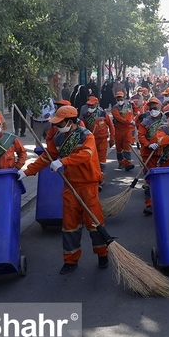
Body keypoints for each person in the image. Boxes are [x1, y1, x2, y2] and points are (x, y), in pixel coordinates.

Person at [19, 105, 108, 274]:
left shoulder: (86, 136)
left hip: (88, 185)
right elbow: (46, 157)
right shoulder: (59, 139)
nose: (57, 126)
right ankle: (70, 260)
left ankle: (102, 254)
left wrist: (63, 162)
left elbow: (86, 155)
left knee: (94, 223)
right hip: (70, 185)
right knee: (70, 225)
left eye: (60, 123)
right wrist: (27, 172)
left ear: (70, 121)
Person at [80, 96, 115, 190]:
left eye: (92, 105)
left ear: (96, 104)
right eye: (89, 105)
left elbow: (111, 126)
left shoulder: (103, 113)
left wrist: (112, 138)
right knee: (91, 160)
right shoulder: (85, 115)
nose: (90, 107)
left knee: (101, 161)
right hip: (91, 141)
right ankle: (94, 178)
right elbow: (82, 129)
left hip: (103, 140)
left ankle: (100, 179)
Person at [137, 97, 165, 214]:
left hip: (164, 153)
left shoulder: (167, 119)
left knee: (163, 178)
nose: (153, 110)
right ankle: (149, 204)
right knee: (149, 179)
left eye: (155, 108)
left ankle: (163, 202)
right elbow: (141, 136)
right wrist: (148, 145)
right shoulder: (145, 122)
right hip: (149, 154)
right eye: (151, 108)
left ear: (160, 108)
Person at [111, 91, 135, 171]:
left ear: (123, 97)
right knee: (119, 147)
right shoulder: (115, 108)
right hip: (118, 130)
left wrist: (133, 105)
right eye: (118, 98)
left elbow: (132, 114)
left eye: (121, 98)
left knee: (127, 145)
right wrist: (129, 122)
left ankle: (128, 163)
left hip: (127, 129)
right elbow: (119, 118)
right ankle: (121, 162)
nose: (119, 99)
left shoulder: (128, 105)